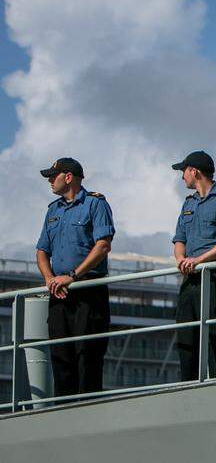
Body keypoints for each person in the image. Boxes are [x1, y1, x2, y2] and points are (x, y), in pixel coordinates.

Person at [35, 157, 115, 397]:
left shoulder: (95, 204)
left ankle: (87, 418)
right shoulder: (53, 210)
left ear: (68, 177)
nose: (50, 180)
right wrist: (51, 279)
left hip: (89, 289)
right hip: (59, 292)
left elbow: (103, 246)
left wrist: (72, 276)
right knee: (60, 357)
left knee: (87, 356)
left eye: (53, 175)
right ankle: (62, 419)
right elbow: (41, 251)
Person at [170, 150, 216, 381]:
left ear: (194, 171)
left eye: (184, 171)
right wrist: (181, 259)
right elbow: (179, 238)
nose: (182, 177)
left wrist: (200, 260)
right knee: (186, 341)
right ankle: (188, 394)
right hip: (191, 281)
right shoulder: (189, 203)